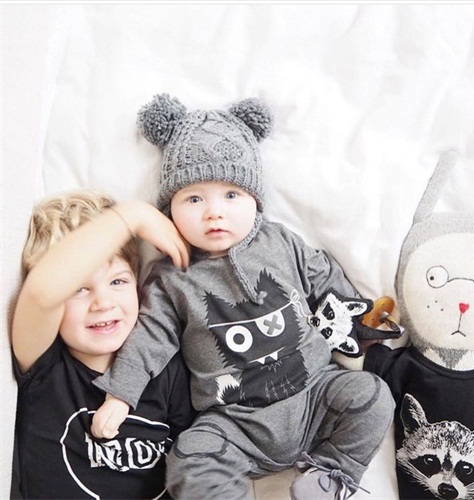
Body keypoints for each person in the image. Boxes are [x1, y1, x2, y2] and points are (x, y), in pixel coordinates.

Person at [91, 94, 395, 500]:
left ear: (255, 200)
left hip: (315, 395)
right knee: (189, 456)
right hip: (233, 421)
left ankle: (330, 476)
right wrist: (120, 396)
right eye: (194, 199)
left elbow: (324, 277)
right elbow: (149, 337)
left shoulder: (280, 242)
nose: (214, 212)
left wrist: (361, 318)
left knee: (372, 396)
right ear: (168, 210)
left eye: (231, 195)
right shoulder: (172, 276)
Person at [11, 189, 196, 499]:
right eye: (79, 289)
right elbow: (42, 293)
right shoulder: (45, 366)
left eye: (117, 281)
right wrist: (132, 216)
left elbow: (195, 455)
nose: (103, 303)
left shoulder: (167, 367)